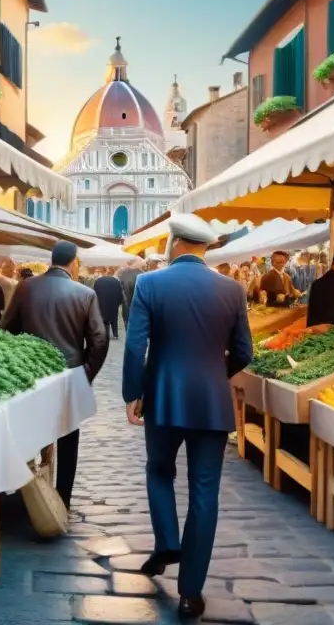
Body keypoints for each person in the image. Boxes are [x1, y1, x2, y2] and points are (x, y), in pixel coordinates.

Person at [122, 214, 253, 620]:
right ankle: (191, 593)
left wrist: (133, 392)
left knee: (159, 470)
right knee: (204, 492)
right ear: (204, 248)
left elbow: (134, 345)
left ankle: (166, 542)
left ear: (175, 242)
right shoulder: (232, 289)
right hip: (212, 402)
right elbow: (244, 351)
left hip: (162, 397)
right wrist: (216, 376)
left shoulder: (150, 283)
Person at [2, 241, 107, 508]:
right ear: (74, 262)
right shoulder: (84, 293)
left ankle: (27, 498)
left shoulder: (26, 287)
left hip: (30, 374)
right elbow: (99, 339)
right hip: (69, 374)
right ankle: (62, 499)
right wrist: (86, 372)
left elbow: (6, 328)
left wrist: (20, 360)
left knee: (28, 434)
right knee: (68, 437)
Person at [93, 269, 125, 340]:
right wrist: (119, 302)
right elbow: (120, 293)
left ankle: (102, 332)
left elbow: (94, 292)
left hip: (101, 303)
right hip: (113, 304)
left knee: (102, 318)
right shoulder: (116, 281)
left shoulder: (98, 281)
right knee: (114, 319)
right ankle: (115, 333)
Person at [117, 260, 141, 327]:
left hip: (126, 304)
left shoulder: (123, 273)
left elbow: (120, 288)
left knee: (127, 322)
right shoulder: (142, 274)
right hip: (137, 306)